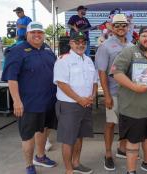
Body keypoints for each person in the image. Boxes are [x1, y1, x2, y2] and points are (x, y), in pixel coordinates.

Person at [2, 21, 57, 174]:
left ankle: (40, 157)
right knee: (28, 136)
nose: (37, 35)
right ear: (27, 34)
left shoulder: (47, 49)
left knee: (44, 129)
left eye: (40, 32)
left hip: (49, 102)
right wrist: (17, 101)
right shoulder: (17, 51)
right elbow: (12, 79)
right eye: (33, 32)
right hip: (29, 104)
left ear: (43, 35)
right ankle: (29, 165)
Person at [111, 26, 147, 174]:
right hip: (133, 109)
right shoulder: (129, 52)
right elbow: (116, 72)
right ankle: (131, 171)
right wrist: (134, 87)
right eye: (144, 36)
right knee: (133, 141)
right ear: (139, 38)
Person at [54, 31, 98, 174]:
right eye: (77, 42)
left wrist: (92, 96)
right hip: (69, 105)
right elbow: (61, 83)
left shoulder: (88, 60)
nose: (80, 45)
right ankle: (68, 169)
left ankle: (76, 163)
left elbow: (95, 81)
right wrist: (80, 99)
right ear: (71, 43)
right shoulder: (63, 60)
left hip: (86, 104)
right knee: (68, 139)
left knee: (79, 136)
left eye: (83, 42)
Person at [95, 14, 133, 171]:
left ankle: (122, 149)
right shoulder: (105, 46)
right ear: (111, 27)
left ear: (128, 27)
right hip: (114, 92)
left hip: (130, 94)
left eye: (123, 25)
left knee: (127, 124)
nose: (121, 28)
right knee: (111, 124)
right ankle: (108, 154)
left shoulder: (132, 46)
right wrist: (107, 95)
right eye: (117, 25)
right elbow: (102, 73)